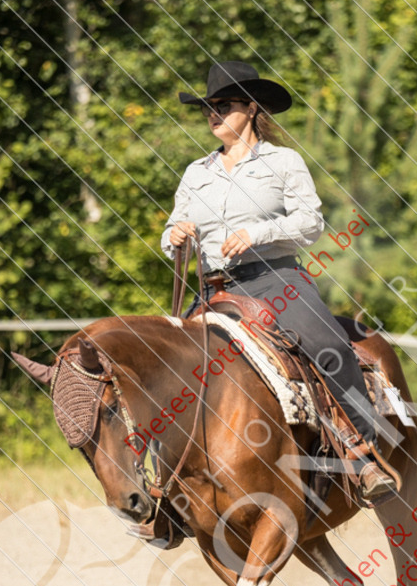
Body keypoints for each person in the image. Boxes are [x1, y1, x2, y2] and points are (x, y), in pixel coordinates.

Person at [161, 60, 397, 506]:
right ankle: (166, 482)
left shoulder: (283, 162)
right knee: (167, 363)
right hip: (213, 288)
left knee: (328, 343)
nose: (213, 114)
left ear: (251, 108)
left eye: (223, 105)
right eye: (207, 108)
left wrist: (258, 233)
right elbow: (174, 224)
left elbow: (311, 222)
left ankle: (362, 453)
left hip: (275, 279)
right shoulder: (196, 172)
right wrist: (172, 236)